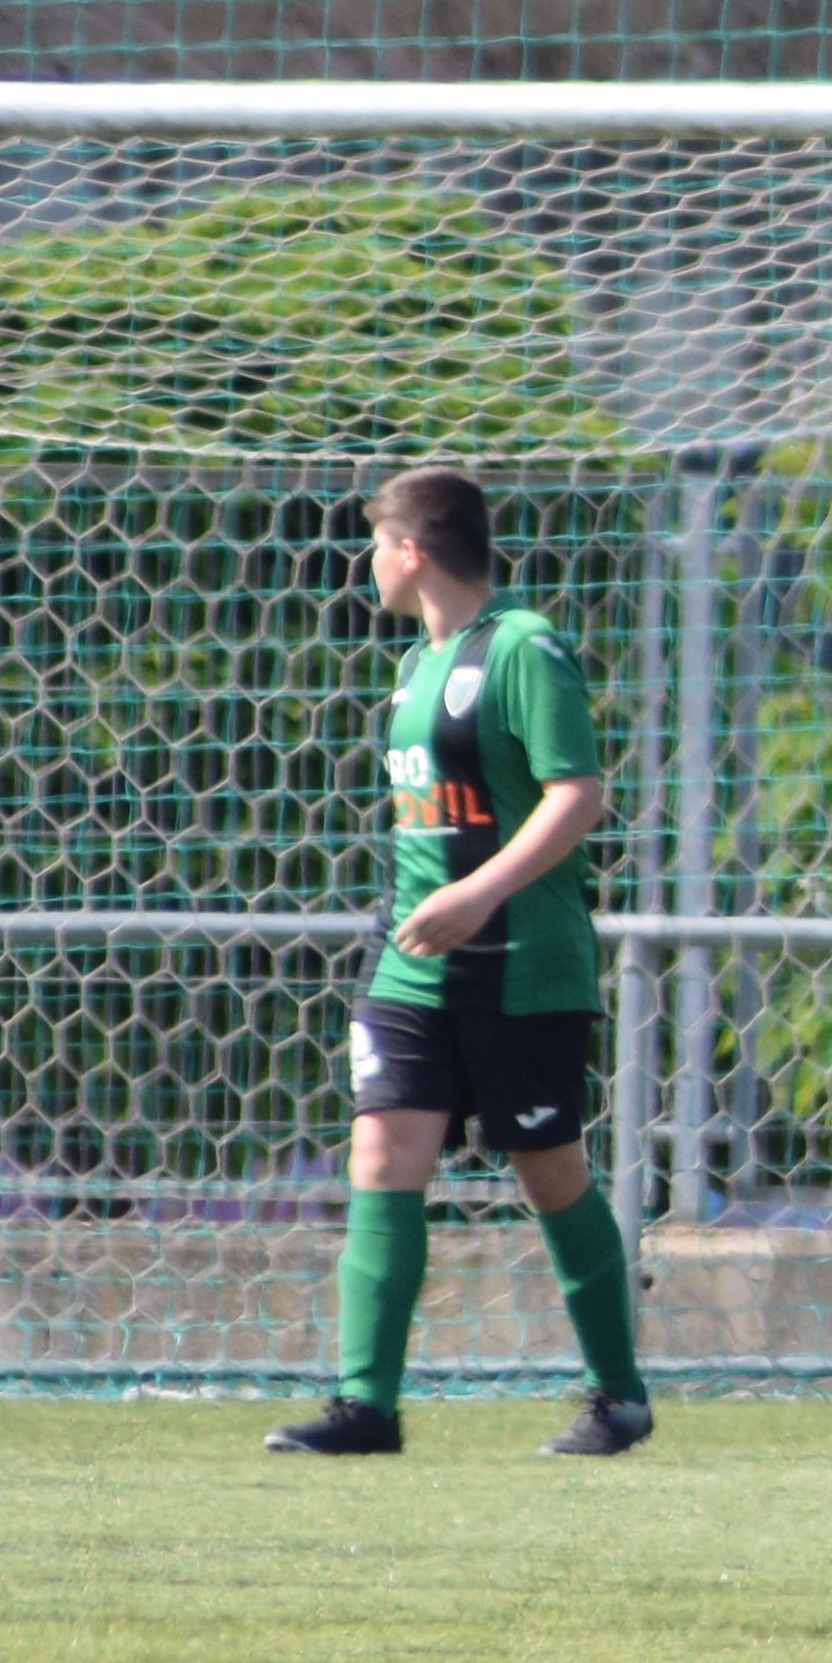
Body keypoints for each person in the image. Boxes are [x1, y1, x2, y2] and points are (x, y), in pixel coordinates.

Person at [266, 467, 650, 1459]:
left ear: (413, 551)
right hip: (409, 966)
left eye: (375, 544)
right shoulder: (416, 669)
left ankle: (618, 1395)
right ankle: (367, 1408)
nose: (367, 564)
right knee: (383, 1153)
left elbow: (578, 793)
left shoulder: (522, 649)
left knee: (549, 1171)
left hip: (522, 961)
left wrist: (481, 894)